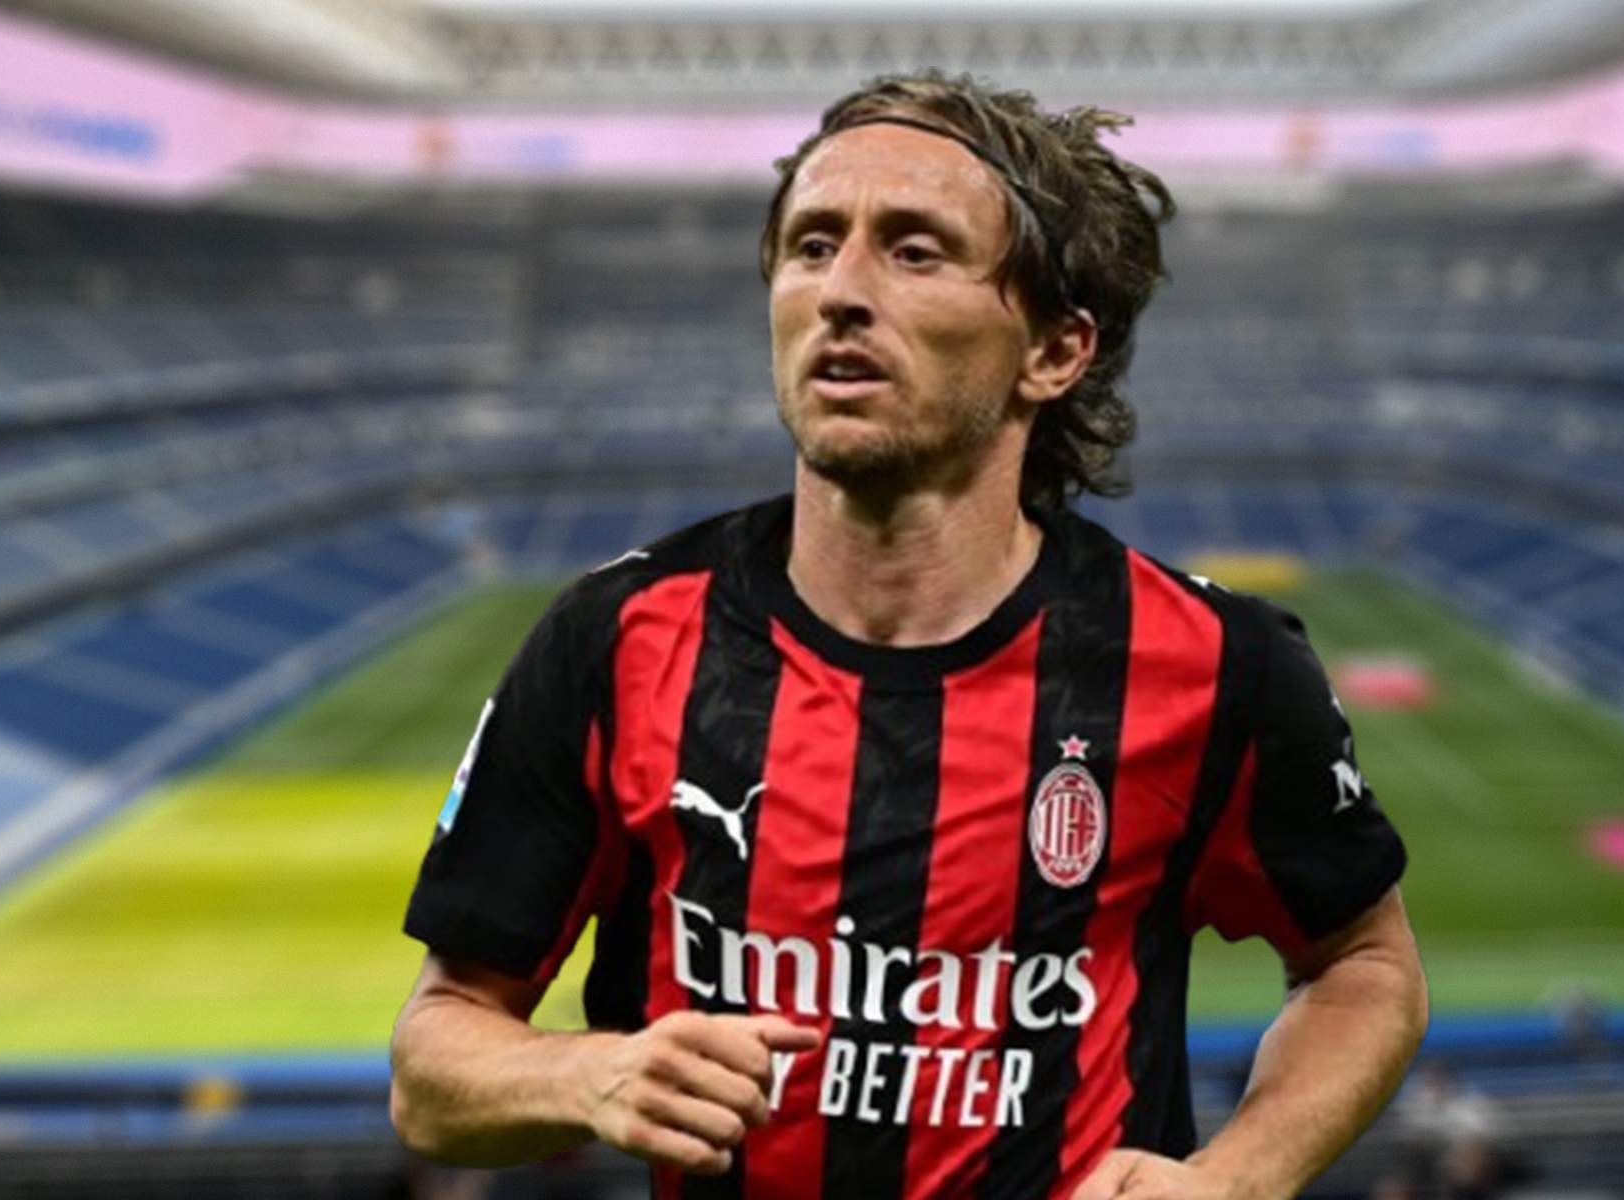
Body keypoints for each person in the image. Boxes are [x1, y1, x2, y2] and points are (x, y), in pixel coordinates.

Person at [389, 70, 1428, 1200]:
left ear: (1054, 350)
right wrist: (585, 1075)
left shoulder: (1212, 663)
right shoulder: (614, 640)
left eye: (914, 251)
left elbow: (1364, 966)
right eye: (811, 245)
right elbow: (435, 1064)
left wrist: (1236, 1178)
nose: (840, 290)